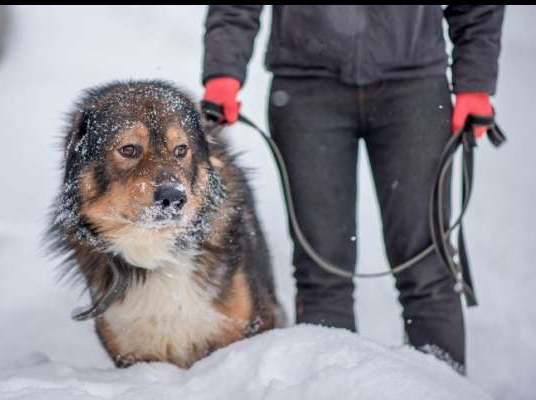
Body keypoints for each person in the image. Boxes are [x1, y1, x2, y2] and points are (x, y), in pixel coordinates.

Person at [201, 5, 504, 372]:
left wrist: (475, 79)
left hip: (415, 87)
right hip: (306, 89)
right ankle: (335, 386)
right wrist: (223, 71)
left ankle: (443, 387)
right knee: (321, 272)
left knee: (427, 268)